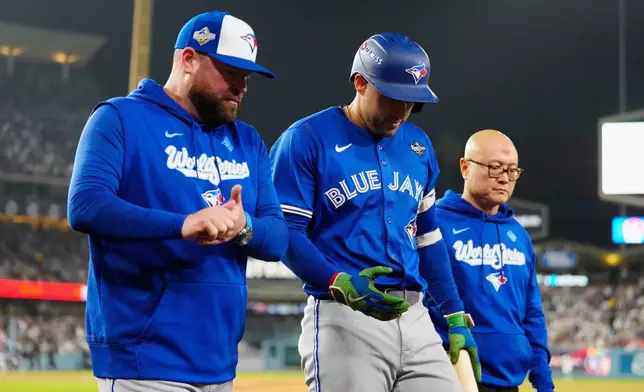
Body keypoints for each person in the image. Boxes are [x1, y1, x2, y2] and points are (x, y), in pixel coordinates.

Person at [67, 10, 288, 392]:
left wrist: (244, 226)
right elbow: (85, 205)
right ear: (188, 59)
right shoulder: (119, 118)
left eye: (246, 76)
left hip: (220, 361)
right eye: (230, 72)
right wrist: (182, 224)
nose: (241, 86)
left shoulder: (248, 142)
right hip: (144, 360)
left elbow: (278, 237)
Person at [269, 33, 480, 392]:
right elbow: (284, 231)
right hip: (344, 315)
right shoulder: (306, 138)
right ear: (360, 82)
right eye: (392, 98)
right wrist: (337, 280)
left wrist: (454, 313)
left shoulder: (418, 146)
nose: (401, 112)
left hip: (416, 317)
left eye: (412, 102)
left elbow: (427, 239)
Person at [425, 129, 555, 392]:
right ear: (465, 167)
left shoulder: (518, 234)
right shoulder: (432, 223)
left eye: (512, 171)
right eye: (495, 168)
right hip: (450, 374)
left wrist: (542, 377)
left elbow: (532, 312)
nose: (505, 179)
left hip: (509, 381)